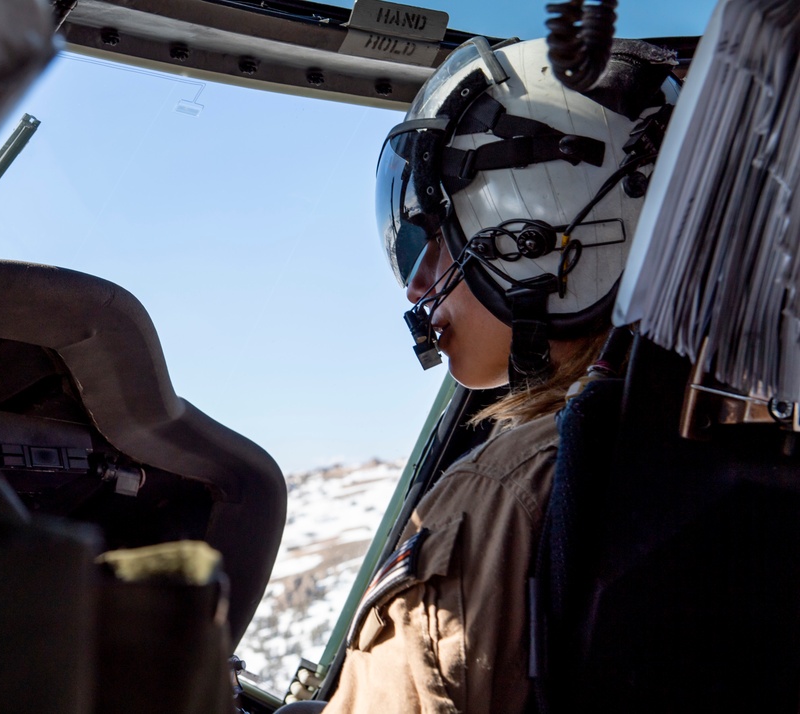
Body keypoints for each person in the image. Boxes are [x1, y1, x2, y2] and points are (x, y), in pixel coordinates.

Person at [281, 36, 679, 714]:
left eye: (433, 238)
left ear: (539, 219)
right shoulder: (707, 431)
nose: (419, 286)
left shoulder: (506, 490)